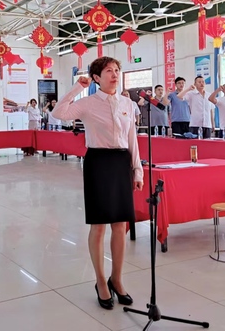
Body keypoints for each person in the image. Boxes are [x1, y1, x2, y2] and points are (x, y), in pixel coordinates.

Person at [52, 56, 143, 310]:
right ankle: (101, 281)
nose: (114, 75)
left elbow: (132, 138)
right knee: (99, 226)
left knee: (120, 225)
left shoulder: (127, 103)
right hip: (98, 163)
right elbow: (58, 113)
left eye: (116, 70)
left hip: (121, 162)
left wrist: (138, 171)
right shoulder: (87, 103)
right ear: (96, 78)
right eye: (108, 71)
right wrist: (77, 88)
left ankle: (117, 279)